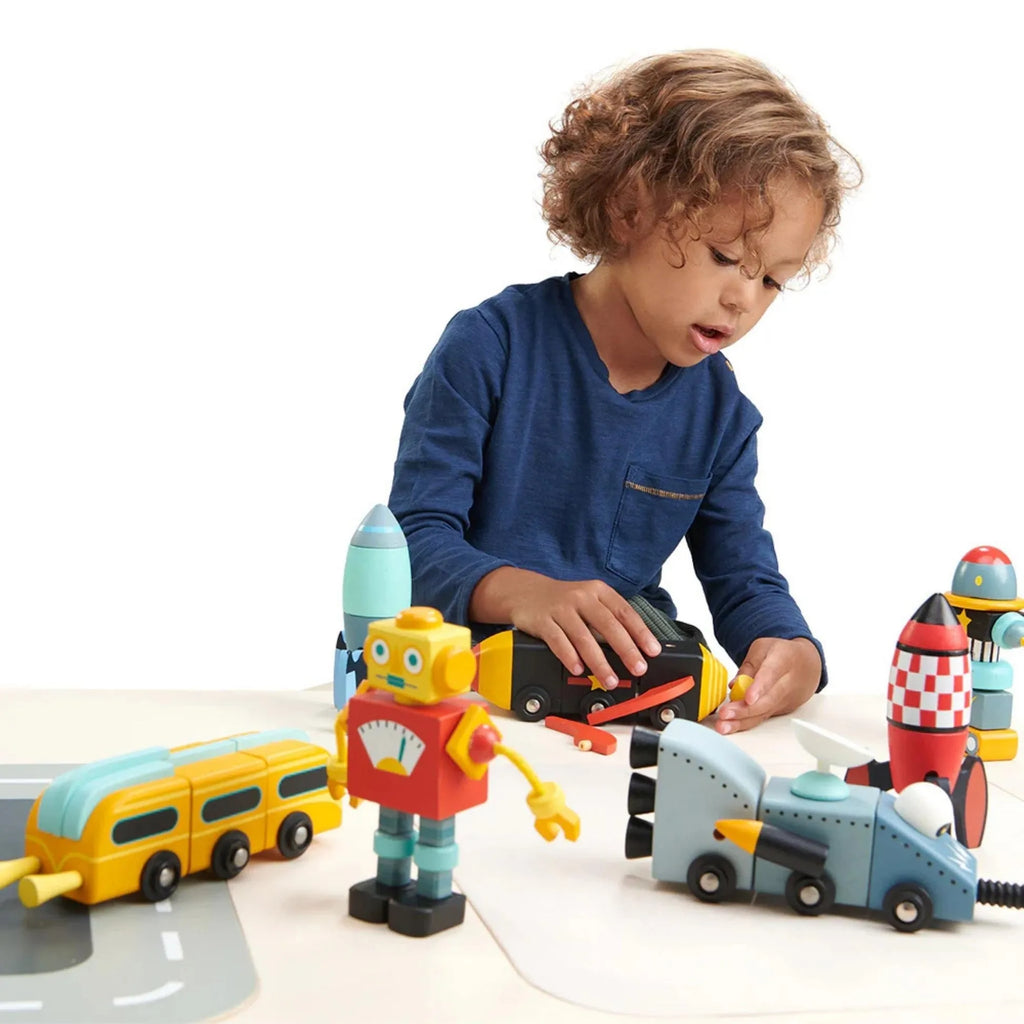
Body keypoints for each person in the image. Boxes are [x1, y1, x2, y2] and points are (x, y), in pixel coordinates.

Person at [387, 50, 860, 734]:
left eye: (771, 281)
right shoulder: (490, 345)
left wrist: (791, 648)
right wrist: (524, 594)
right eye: (726, 257)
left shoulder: (722, 416)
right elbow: (410, 544)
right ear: (627, 208)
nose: (743, 299)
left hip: (617, 710)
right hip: (463, 702)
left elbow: (743, 577)